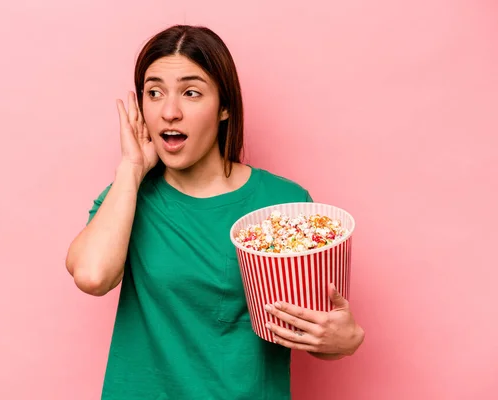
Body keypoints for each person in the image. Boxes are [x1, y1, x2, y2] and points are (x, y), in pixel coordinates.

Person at [66, 24, 364, 400]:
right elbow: (92, 276)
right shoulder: (126, 196)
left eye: (191, 93)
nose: (170, 112)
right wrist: (131, 168)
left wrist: (345, 339)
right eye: (154, 93)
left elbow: (319, 327)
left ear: (224, 107)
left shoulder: (282, 203)